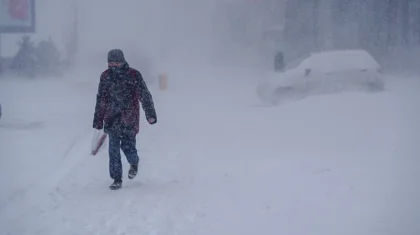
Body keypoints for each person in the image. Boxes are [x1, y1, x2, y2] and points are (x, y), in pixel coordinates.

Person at [93, 49, 157, 190]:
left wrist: (150, 114)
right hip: (111, 118)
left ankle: (134, 162)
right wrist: (98, 119)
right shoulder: (105, 76)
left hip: (130, 118)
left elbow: (144, 95)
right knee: (113, 150)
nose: (113, 66)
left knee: (128, 147)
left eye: (116, 62)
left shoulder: (133, 75)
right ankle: (117, 179)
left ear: (122, 61)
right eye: (110, 63)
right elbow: (101, 99)